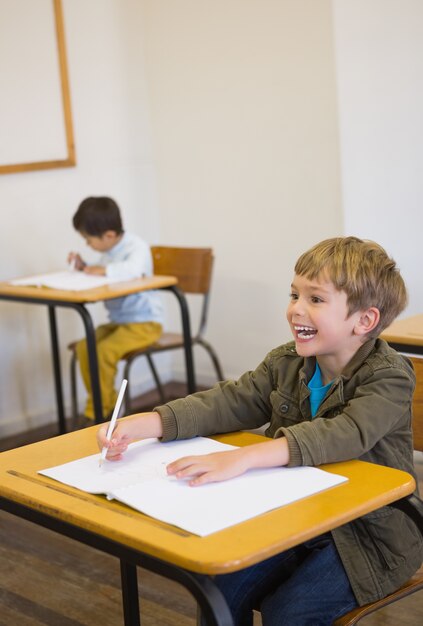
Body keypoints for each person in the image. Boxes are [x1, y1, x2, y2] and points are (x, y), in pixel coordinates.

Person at [97, 236, 423, 626]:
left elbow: (346, 433)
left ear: (364, 320)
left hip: (369, 535)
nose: (295, 310)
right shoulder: (287, 361)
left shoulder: (389, 375)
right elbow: (230, 401)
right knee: (218, 587)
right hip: (298, 514)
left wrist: (243, 457)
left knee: (287, 612)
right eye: (294, 294)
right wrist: (145, 424)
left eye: (315, 299)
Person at [69, 196, 163, 421]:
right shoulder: (108, 253)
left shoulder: (136, 247)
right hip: (120, 323)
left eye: (88, 239)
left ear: (109, 235)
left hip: (145, 324)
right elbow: (101, 270)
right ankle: (107, 402)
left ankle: (98, 412)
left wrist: (101, 270)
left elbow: (133, 271)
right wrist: (84, 266)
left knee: (103, 352)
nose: (87, 244)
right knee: (85, 347)